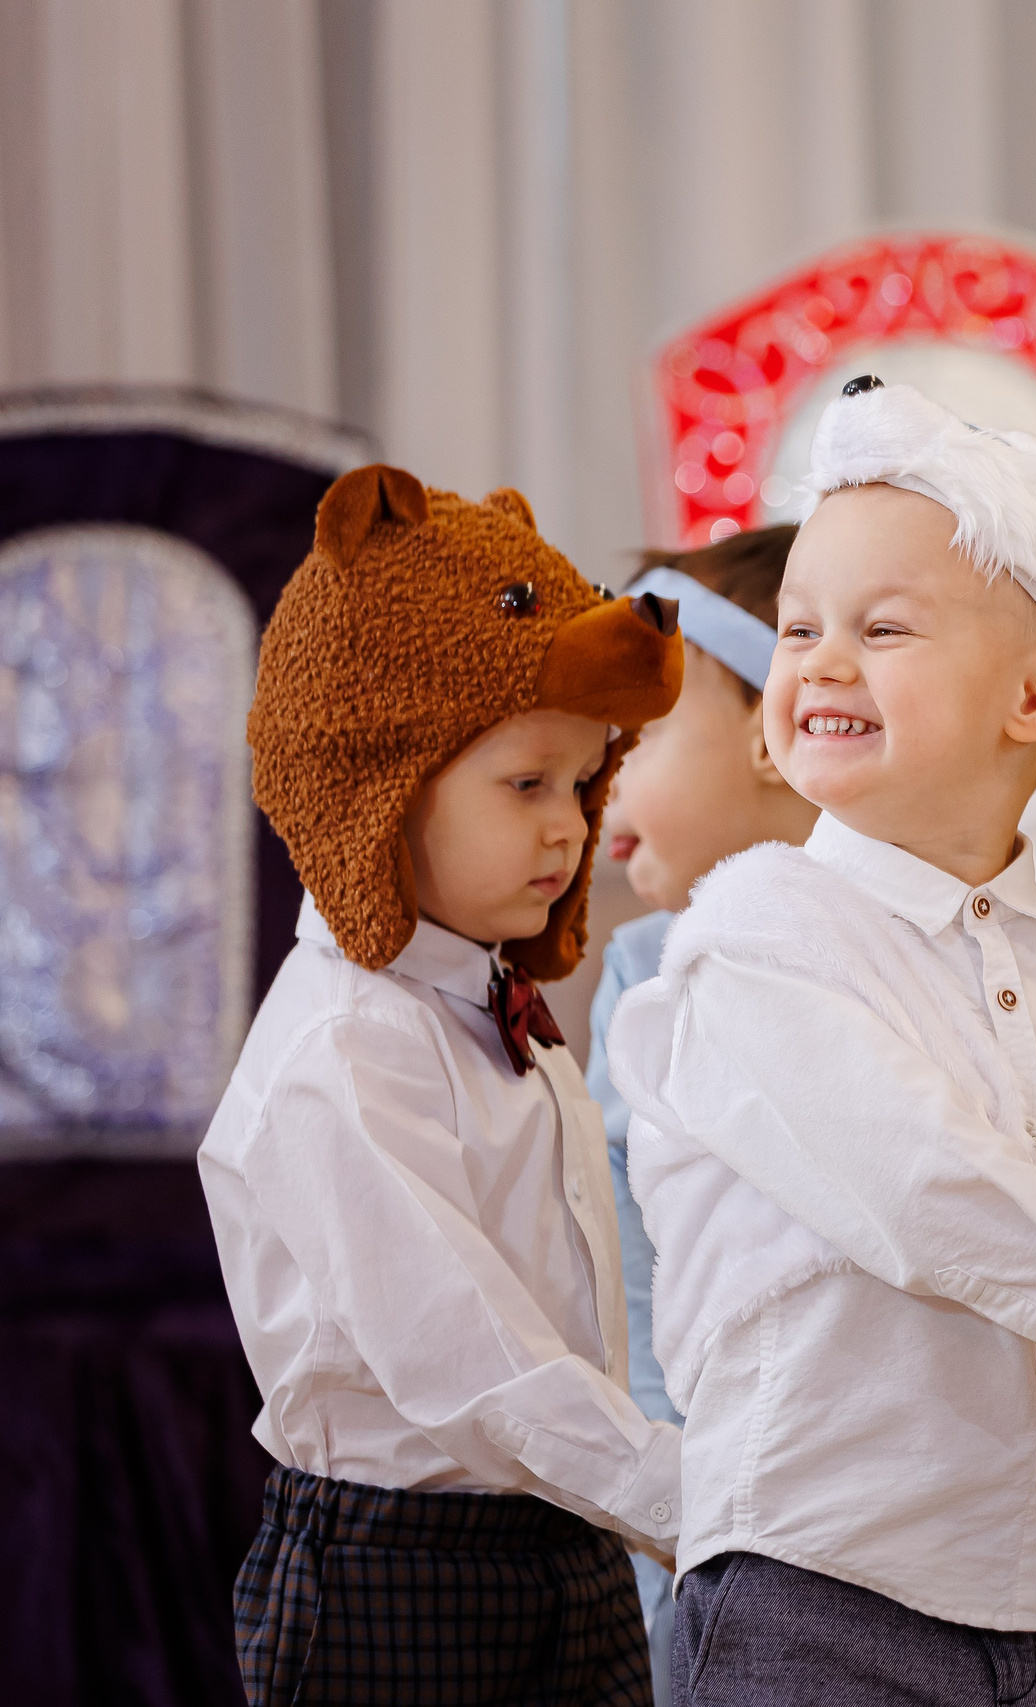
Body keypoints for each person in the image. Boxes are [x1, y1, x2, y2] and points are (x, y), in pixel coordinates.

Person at [607, 379, 1036, 1707]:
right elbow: (928, 1188)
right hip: (808, 1590)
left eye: (881, 628)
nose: (817, 657)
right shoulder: (750, 933)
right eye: (801, 627)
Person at [201, 466, 687, 1705]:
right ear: (376, 778)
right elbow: (462, 1351)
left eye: (585, 783)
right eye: (525, 784)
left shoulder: (492, 1007)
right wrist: (687, 1497)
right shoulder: (341, 1052)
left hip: (566, 1537)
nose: (571, 828)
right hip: (396, 1570)